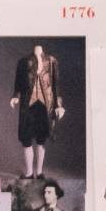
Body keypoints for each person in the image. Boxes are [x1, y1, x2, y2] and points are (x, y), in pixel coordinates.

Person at [12, 41, 64, 182]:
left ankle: (39, 173)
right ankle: (29, 173)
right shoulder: (23, 62)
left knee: (41, 140)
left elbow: (56, 85)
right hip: (27, 104)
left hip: (45, 105)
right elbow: (18, 83)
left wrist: (59, 105)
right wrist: (15, 96)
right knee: (26, 139)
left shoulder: (52, 61)